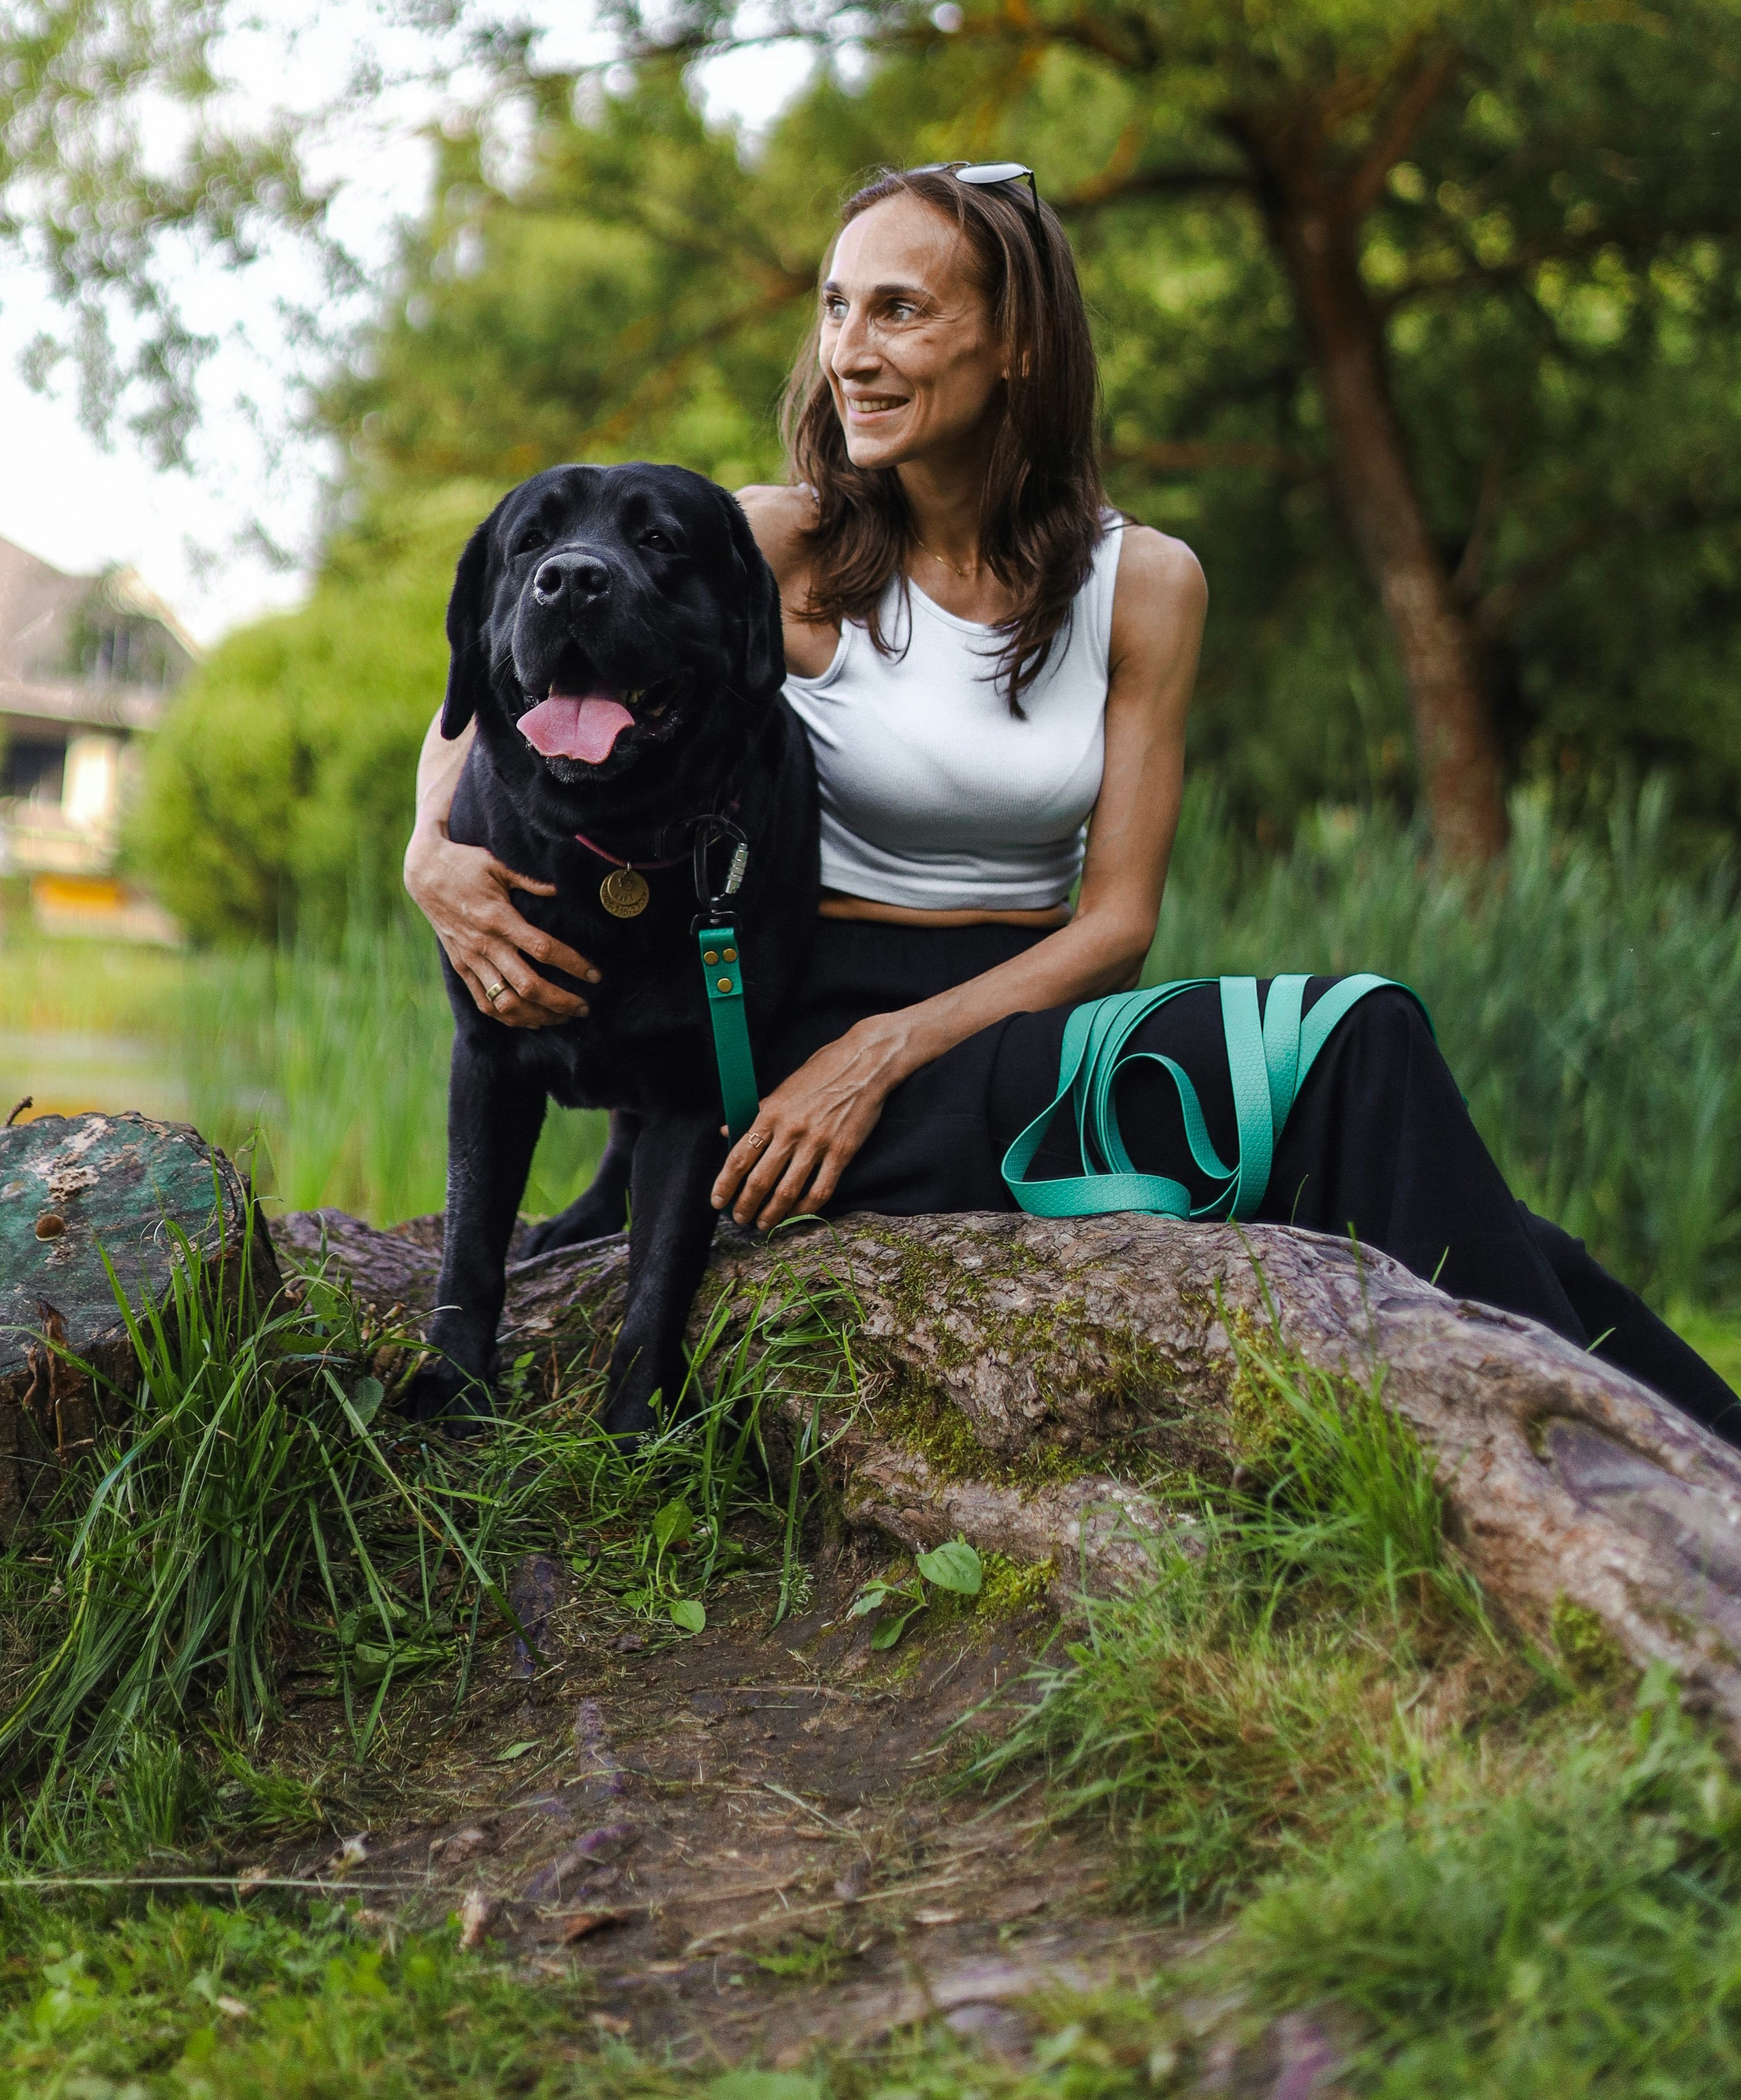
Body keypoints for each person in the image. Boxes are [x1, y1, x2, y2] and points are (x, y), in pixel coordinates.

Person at [405, 162, 1741, 1443]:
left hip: (1005, 1025)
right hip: (790, 1030)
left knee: (1393, 1120)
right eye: (833, 307)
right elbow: (513, 668)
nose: (847, 351)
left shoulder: (1141, 582)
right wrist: (432, 855)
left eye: (898, 309)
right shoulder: (774, 539)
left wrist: (887, 1053)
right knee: (1358, 1047)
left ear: (1018, 345)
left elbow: (1115, 926)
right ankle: (1636, 1456)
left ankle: (1660, 1465)